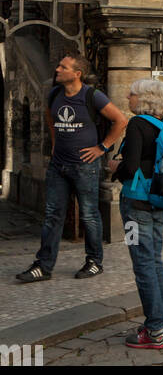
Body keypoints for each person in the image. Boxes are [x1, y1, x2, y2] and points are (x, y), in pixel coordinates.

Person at [16, 53, 127, 283]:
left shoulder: (92, 96)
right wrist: (55, 143)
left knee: (89, 215)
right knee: (52, 215)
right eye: (58, 65)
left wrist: (102, 148)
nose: (57, 69)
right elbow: (50, 115)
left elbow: (120, 120)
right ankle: (43, 266)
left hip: (85, 166)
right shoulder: (55, 93)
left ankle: (95, 262)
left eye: (63, 67)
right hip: (59, 165)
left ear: (77, 74)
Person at [107, 78, 163, 350]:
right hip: (159, 202)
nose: (128, 96)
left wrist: (115, 166)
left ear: (144, 99)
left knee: (142, 264)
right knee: (155, 261)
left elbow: (132, 166)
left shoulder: (137, 125)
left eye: (132, 94)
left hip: (136, 205)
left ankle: (155, 330)